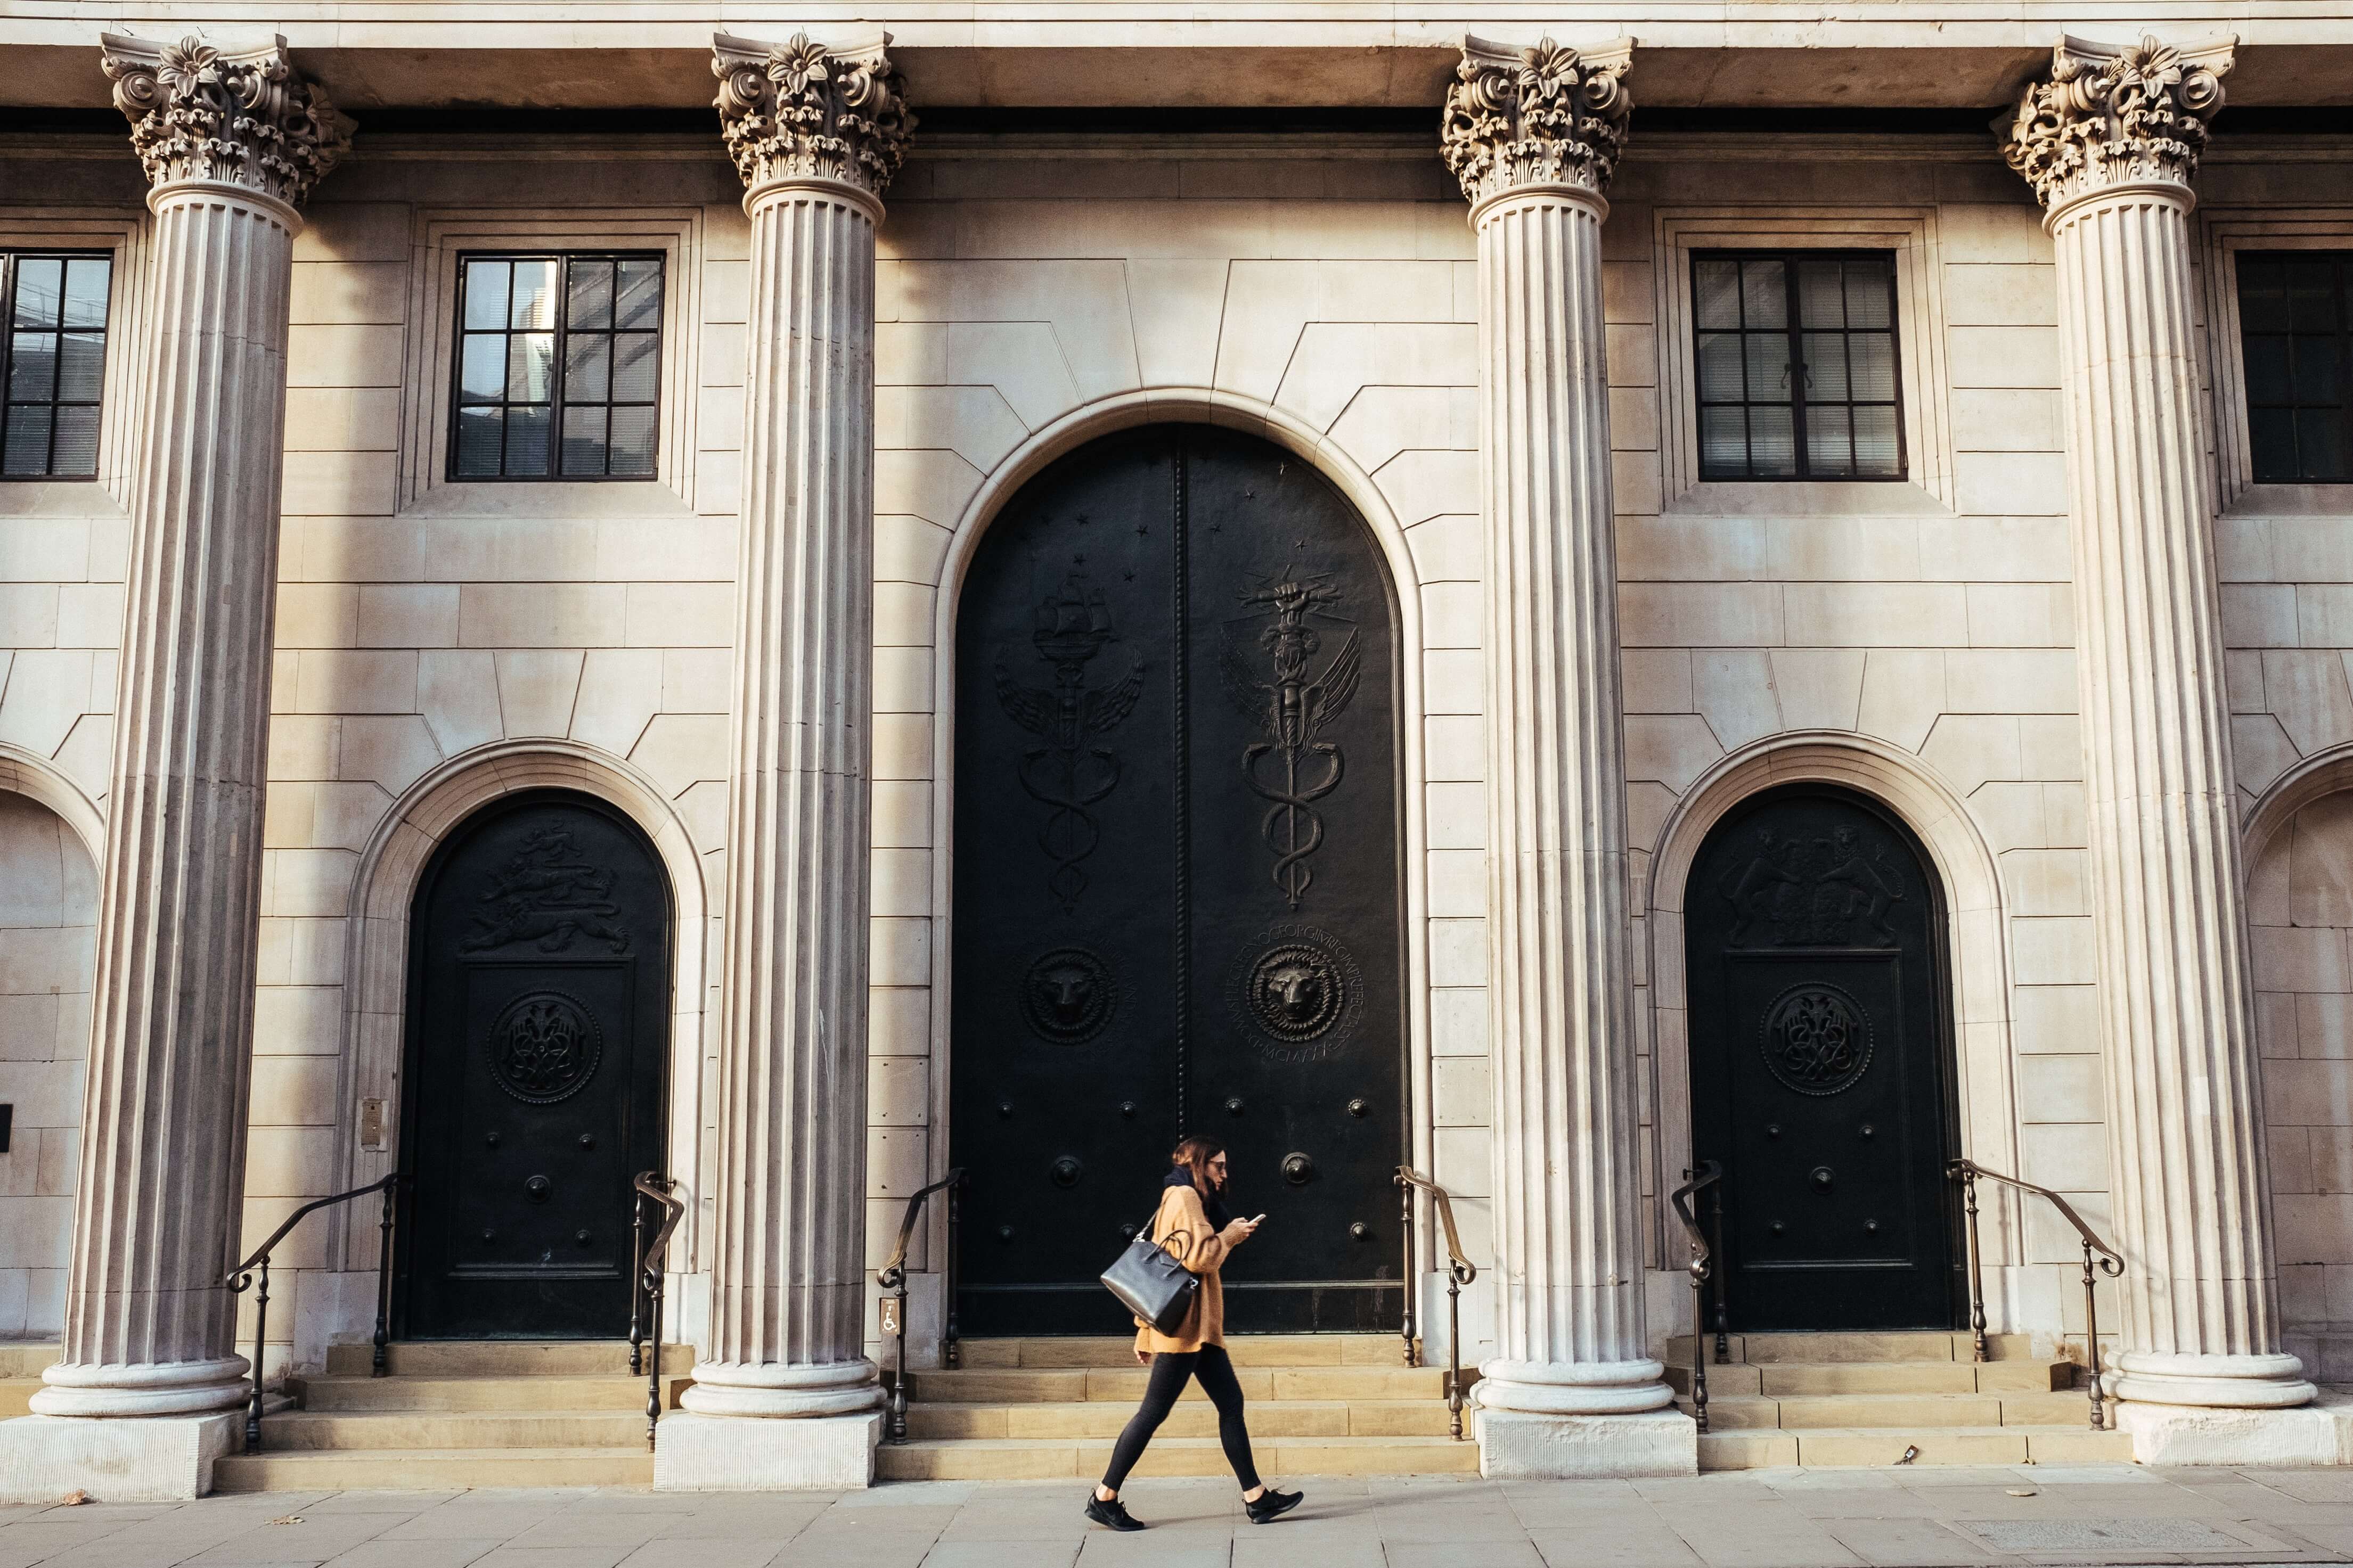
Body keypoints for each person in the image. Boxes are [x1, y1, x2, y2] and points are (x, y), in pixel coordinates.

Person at [1085, 1136, 1305, 1531]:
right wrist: (1231, 1236)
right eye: (1217, 1166)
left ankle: (1256, 1497)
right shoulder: (1185, 1196)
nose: (1223, 1174)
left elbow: (1156, 1265)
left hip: (1195, 1331)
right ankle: (1105, 1496)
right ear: (1199, 1164)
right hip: (1185, 1330)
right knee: (1152, 1413)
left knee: (1230, 1402)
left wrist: (1142, 1331)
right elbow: (1199, 1258)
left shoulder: (1181, 1196)